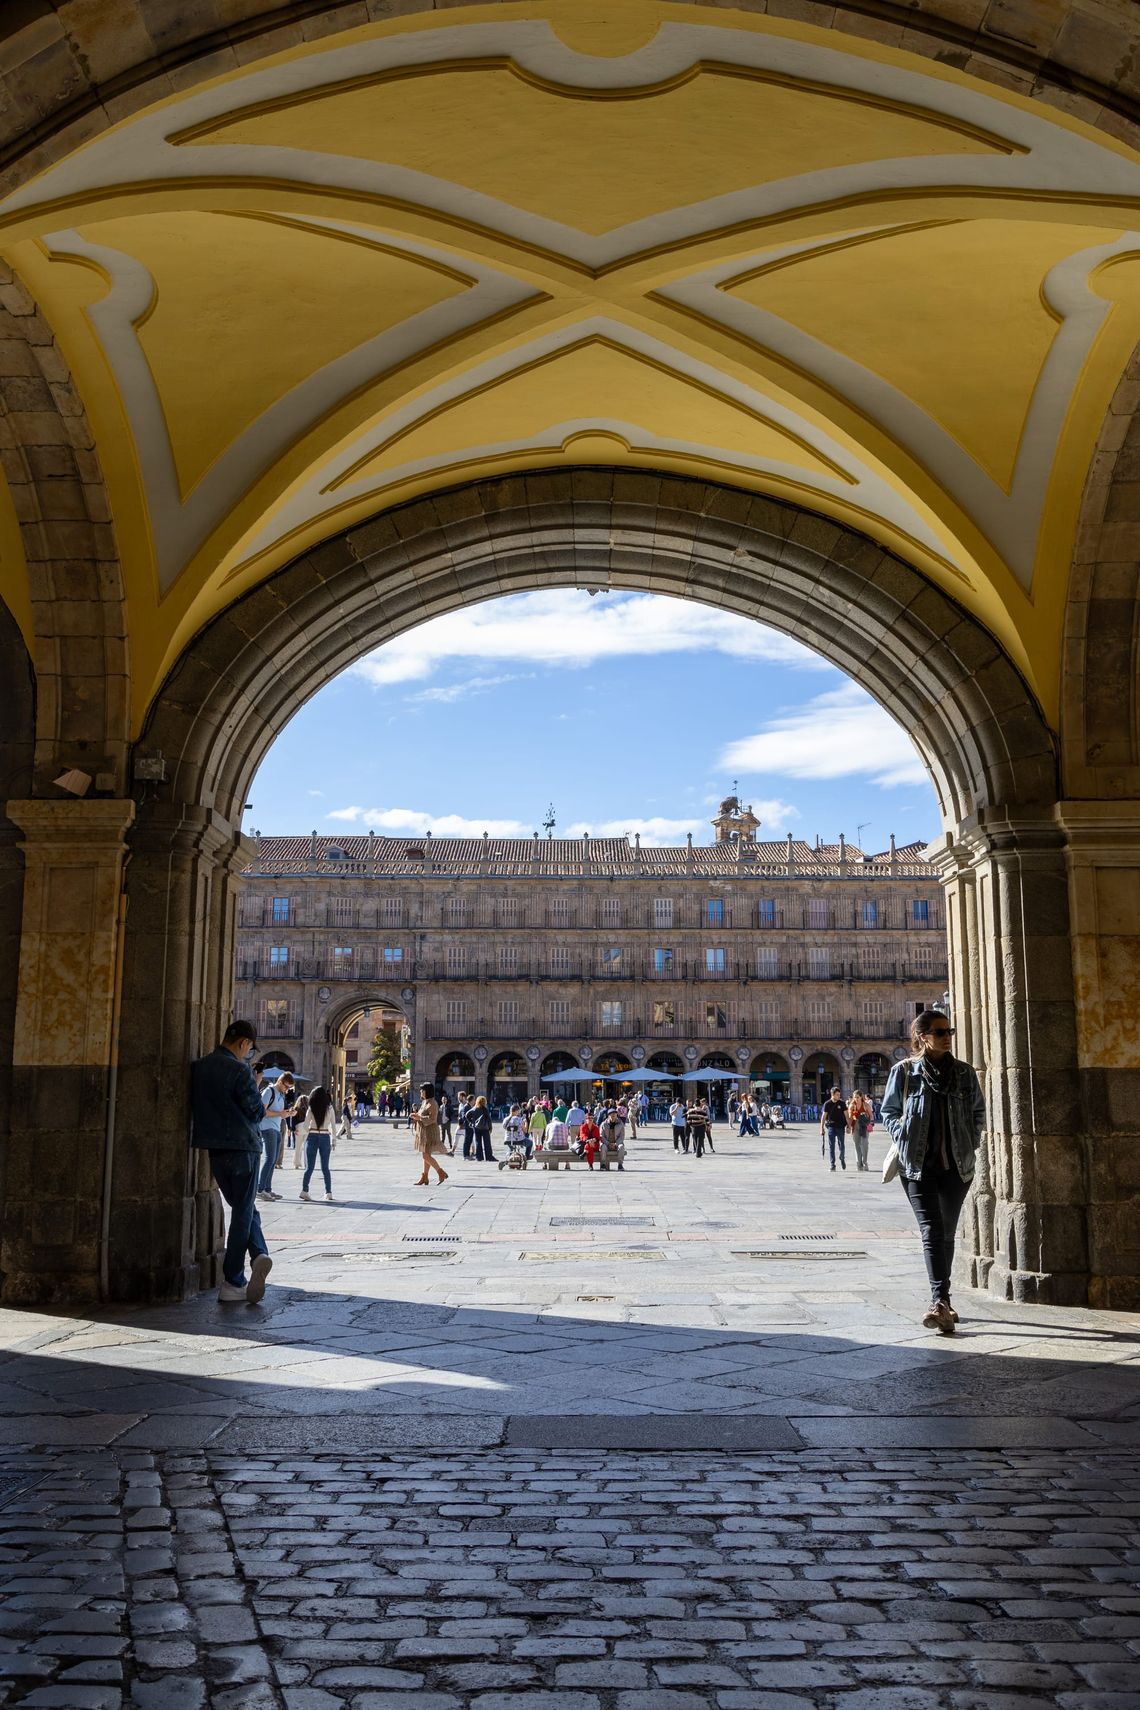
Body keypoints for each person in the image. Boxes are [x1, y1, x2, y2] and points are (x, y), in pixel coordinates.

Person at [881, 1010, 985, 1335]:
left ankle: (943, 1299)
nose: (946, 1036)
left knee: (947, 1234)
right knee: (931, 1231)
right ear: (923, 1036)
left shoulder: (965, 1073)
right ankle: (940, 1302)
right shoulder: (905, 1072)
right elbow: (889, 1111)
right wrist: (903, 1135)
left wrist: (970, 1140)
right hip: (916, 1167)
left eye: (948, 1030)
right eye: (940, 1031)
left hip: (956, 1166)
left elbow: (978, 1113)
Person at [191, 1020, 273, 1304]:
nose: (247, 1054)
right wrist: (256, 1085)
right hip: (244, 1148)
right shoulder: (239, 1069)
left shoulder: (200, 1067)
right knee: (242, 1212)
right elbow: (255, 1111)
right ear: (243, 1043)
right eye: (249, 1049)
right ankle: (234, 1280)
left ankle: (259, 1252)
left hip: (215, 1149)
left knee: (244, 1207)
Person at [257, 1068, 291, 1202]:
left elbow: (279, 1112)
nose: (287, 1090)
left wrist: (287, 1113)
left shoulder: (280, 1094)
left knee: (274, 1159)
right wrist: (280, 1114)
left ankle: (268, 1189)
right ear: (280, 1082)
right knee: (269, 1158)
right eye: (286, 1086)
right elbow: (262, 1111)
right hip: (267, 1127)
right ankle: (260, 1189)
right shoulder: (269, 1091)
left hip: (276, 1127)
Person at [299, 1083, 336, 1202]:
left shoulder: (311, 1108)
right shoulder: (329, 1108)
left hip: (312, 1135)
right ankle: (328, 1192)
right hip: (325, 1136)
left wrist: (307, 1133)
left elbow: (305, 1125)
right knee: (325, 1167)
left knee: (309, 1167)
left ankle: (304, 1191)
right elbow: (334, 1127)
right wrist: (334, 1140)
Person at [411, 1082, 449, 1186]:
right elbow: (421, 1115)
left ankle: (440, 1172)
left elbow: (432, 1119)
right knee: (426, 1154)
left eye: (422, 1090)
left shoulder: (433, 1103)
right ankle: (425, 1177)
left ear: (427, 1091)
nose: (421, 1092)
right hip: (423, 1132)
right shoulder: (424, 1102)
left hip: (430, 1132)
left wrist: (419, 1118)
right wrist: (416, 1115)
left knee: (425, 1155)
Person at [821, 1086, 848, 1171]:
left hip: (841, 1127)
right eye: (837, 1095)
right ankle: (832, 1165)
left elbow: (847, 1115)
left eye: (839, 1095)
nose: (839, 1096)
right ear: (832, 1095)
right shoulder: (827, 1104)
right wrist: (821, 1128)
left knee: (842, 1145)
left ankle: (842, 1157)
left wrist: (849, 1126)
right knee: (831, 1146)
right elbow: (824, 1116)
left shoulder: (842, 1103)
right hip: (831, 1127)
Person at [848, 1090, 873, 1170]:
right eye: (854, 1097)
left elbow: (871, 1115)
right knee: (857, 1144)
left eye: (857, 1097)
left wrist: (871, 1123)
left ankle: (865, 1162)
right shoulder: (852, 1105)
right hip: (855, 1126)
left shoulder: (866, 1105)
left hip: (864, 1126)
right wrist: (848, 1126)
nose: (856, 1099)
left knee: (865, 1144)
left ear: (861, 1097)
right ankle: (859, 1164)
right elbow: (850, 1118)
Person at [467, 1094, 495, 1162]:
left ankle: (479, 1157)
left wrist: (471, 1122)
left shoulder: (474, 1108)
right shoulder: (485, 1109)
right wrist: (490, 1128)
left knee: (478, 1143)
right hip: (485, 1128)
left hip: (476, 1128)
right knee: (487, 1143)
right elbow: (489, 1119)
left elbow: (467, 1115)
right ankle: (489, 1157)